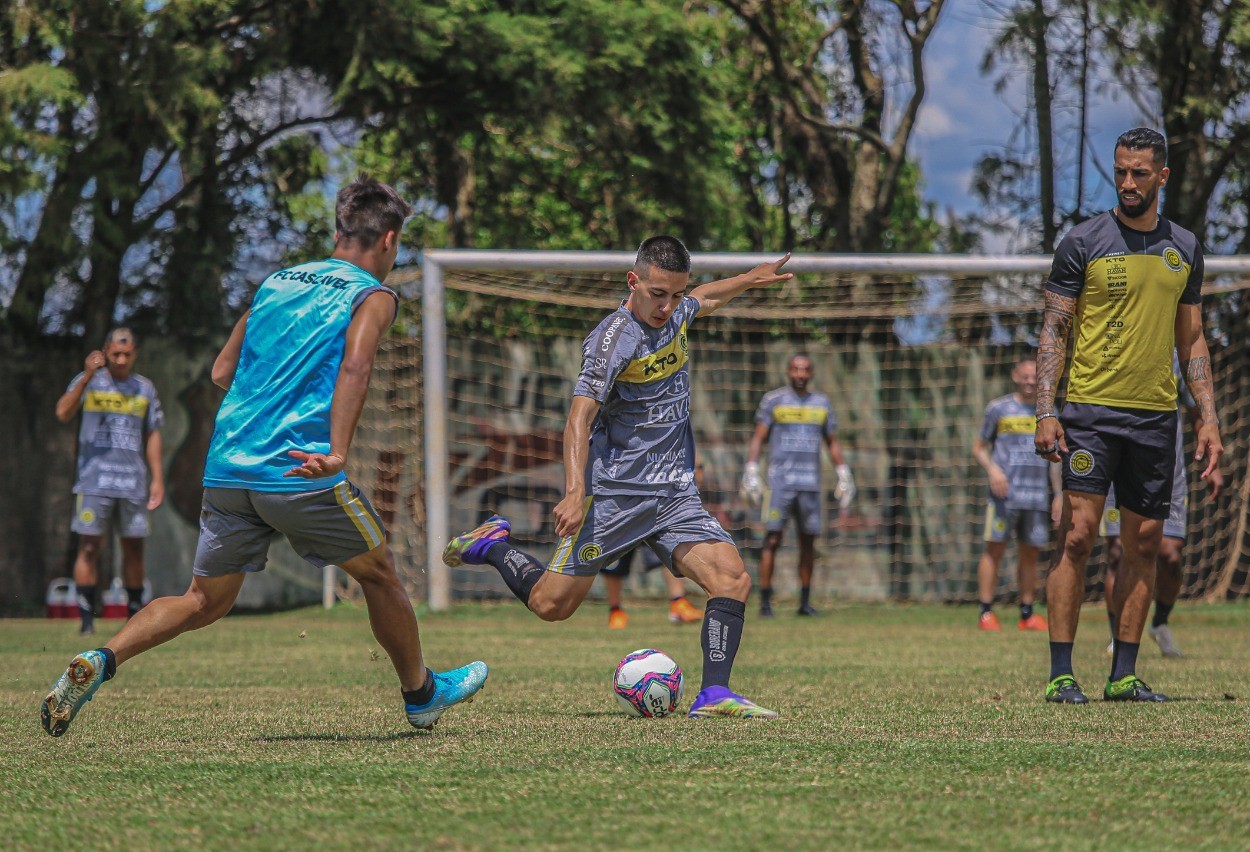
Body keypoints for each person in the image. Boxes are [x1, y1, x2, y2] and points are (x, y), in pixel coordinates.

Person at [41, 175, 487, 737]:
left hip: (228, 468)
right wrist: (338, 451)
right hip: (298, 470)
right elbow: (356, 367)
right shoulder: (372, 296)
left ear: (336, 232)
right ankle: (421, 695)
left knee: (202, 600)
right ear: (390, 241)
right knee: (380, 575)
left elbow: (221, 371)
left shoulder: (276, 283)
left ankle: (100, 660)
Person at [444, 236, 792, 718]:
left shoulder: (678, 312)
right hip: (615, 497)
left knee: (732, 579)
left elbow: (706, 297)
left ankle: (714, 694)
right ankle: (492, 545)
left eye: (675, 294)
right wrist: (573, 491)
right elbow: (578, 419)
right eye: (657, 294)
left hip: (674, 494)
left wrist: (751, 278)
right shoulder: (613, 338)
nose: (667, 306)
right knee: (552, 605)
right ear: (634, 281)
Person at [1035, 127, 1223, 704]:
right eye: (1120, 171)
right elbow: (1055, 330)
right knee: (1079, 538)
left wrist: (1207, 416)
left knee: (1143, 545)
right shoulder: (1083, 241)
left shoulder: (1185, 248)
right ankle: (1062, 673)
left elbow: (1191, 339)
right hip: (1090, 413)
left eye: (1140, 172)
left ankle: (1124, 674)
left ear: (1161, 176)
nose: (1127, 182)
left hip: (1155, 418)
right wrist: (1046, 409)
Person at [1099, 354, 1223, 657]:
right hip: (1119, 469)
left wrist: (1211, 460)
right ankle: (1118, 634)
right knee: (1118, 552)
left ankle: (1160, 623)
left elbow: (1196, 408)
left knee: (1170, 555)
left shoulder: (1175, 357)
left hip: (1167, 473)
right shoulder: (1114, 347)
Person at [55, 327, 165, 635]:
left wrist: (157, 479)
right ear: (105, 351)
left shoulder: (144, 388)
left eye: (126, 355)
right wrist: (87, 376)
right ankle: (87, 620)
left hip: (132, 483)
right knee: (89, 548)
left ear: (135, 355)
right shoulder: (89, 382)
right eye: (115, 353)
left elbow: (154, 433)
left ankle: (133, 616)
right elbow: (63, 412)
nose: (120, 360)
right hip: (94, 482)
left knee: (134, 549)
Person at [740, 353, 854, 617]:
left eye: (805, 370)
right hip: (779, 485)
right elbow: (759, 436)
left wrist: (844, 472)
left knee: (808, 543)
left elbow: (832, 441)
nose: (800, 374)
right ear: (788, 371)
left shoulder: (822, 403)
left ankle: (804, 603)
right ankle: (766, 603)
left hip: (810, 484)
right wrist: (751, 468)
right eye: (795, 369)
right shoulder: (774, 401)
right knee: (772, 538)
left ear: (811, 373)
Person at [971, 353, 1054, 632]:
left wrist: (1059, 496)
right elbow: (979, 448)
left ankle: (1027, 613)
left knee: (1030, 554)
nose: (1030, 382)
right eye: (1026, 376)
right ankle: (985, 612)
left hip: (1037, 497)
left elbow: (1056, 457)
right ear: (1015, 376)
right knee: (993, 549)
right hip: (1005, 496)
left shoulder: (1049, 413)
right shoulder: (999, 408)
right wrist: (994, 470)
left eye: (1035, 377)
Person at [601, 544, 702, 629]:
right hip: (621, 521)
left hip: (650, 520)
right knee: (613, 561)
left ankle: (678, 604)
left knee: (667, 551)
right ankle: (616, 612)